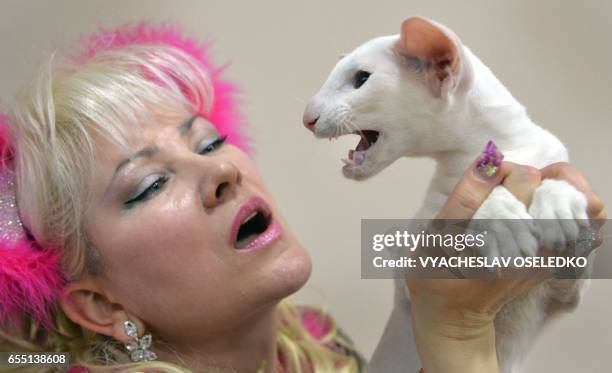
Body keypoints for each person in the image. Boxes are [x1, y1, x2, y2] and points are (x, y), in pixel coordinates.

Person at [0, 21, 605, 373]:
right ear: (102, 308)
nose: (221, 173)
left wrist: (531, 291)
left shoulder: (316, 344)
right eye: (151, 185)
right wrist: (456, 328)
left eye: (209, 141)